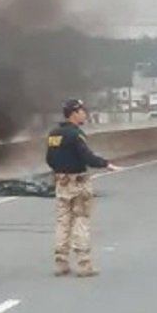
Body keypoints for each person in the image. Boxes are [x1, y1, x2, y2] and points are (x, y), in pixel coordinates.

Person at [46, 99, 118, 277]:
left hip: (61, 183)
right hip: (78, 183)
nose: (85, 114)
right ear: (74, 113)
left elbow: (49, 159)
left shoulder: (54, 134)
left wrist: (60, 170)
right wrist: (106, 164)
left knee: (63, 222)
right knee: (81, 220)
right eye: (82, 111)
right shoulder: (75, 134)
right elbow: (87, 157)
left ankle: (60, 263)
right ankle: (84, 264)